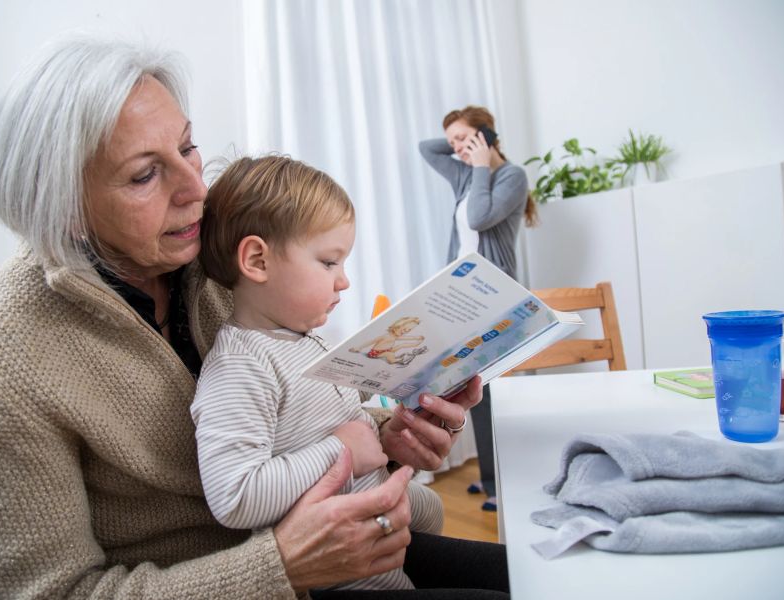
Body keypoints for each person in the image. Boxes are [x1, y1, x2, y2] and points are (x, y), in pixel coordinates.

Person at [0, 35, 507, 599]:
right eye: (144, 175)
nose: (196, 189)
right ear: (65, 208)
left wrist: (393, 437)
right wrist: (281, 567)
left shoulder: (216, 254)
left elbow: (296, 415)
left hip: (345, 552)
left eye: (187, 148)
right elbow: (46, 593)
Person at [193, 155, 443, 592]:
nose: (344, 281)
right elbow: (235, 496)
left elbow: (348, 430)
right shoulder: (241, 366)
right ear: (257, 260)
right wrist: (339, 450)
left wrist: (395, 431)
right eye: (329, 263)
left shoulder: (305, 341)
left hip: (383, 555)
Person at [419, 105, 537, 512]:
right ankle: (492, 480)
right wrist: (462, 145)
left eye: (463, 138)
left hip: (497, 295)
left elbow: (479, 215)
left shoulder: (511, 177)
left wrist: (483, 159)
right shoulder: (464, 172)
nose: (455, 148)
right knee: (477, 391)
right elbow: (427, 149)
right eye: (453, 141)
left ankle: (502, 484)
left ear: (485, 136)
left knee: (496, 390)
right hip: (464, 297)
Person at [349, 316, 428, 366]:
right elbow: (371, 341)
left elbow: (407, 338)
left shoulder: (395, 337)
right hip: (375, 353)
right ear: (397, 326)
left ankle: (416, 344)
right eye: (404, 329)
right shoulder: (386, 336)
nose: (405, 332)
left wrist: (416, 338)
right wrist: (359, 347)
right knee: (389, 354)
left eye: (408, 330)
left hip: (387, 350)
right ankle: (393, 360)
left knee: (401, 345)